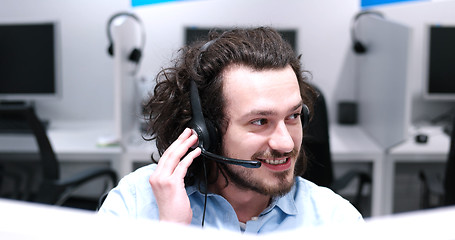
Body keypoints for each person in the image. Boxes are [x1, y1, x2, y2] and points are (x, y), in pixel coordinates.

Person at [98, 27, 363, 233]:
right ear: (206, 132)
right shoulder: (136, 204)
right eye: (260, 121)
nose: (285, 143)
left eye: (293, 116)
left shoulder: (335, 220)